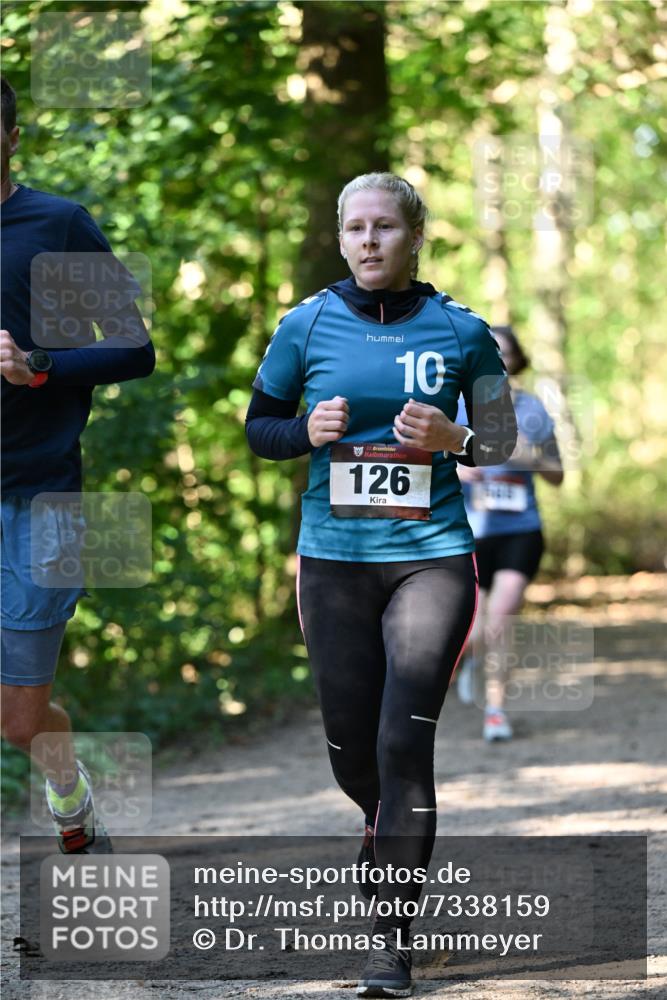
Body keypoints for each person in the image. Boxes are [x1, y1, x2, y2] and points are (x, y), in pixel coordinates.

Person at [246, 171, 516, 997]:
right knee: (350, 749)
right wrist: (303, 430)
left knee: (405, 744)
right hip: (332, 565)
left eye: (385, 228)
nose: (369, 241)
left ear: (413, 236)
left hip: (429, 557)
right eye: (354, 228)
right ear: (340, 238)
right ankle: (377, 824)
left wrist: (453, 436)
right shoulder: (306, 323)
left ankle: (390, 945)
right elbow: (260, 427)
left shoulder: (461, 331)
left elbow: (501, 441)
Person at [0, 77, 155, 853]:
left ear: (13, 136)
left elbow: (134, 346)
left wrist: (39, 364)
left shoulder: (55, 224)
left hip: (41, 498)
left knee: (20, 721)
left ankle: (68, 787)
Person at [455, 326, 563, 741]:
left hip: (521, 531)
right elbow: (433, 466)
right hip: (471, 534)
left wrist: (527, 457)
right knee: (475, 627)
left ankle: (495, 710)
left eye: (506, 354)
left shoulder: (533, 410)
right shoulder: (460, 410)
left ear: (517, 361)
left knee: (501, 619)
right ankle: (470, 659)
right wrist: (462, 469)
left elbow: (557, 475)